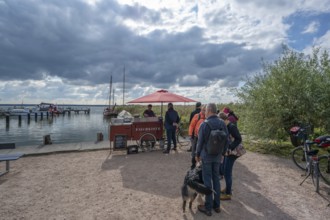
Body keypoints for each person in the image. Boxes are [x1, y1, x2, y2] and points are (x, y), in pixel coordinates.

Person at [195, 103, 229, 216]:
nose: (204, 112)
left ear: (209, 111)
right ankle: (217, 205)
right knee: (216, 180)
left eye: (205, 110)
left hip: (206, 156)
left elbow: (199, 142)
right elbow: (226, 140)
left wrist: (197, 154)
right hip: (218, 157)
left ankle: (208, 207)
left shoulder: (204, 124)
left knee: (207, 181)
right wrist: (223, 153)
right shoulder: (222, 123)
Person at [218, 112, 242, 201]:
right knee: (224, 169)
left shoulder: (232, 127)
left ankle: (228, 194)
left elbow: (239, 138)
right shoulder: (226, 126)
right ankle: (227, 188)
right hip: (229, 151)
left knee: (227, 172)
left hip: (234, 152)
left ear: (224, 120)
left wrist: (230, 147)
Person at [188, 105, 206, 169]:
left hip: (204, 138)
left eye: (205, 110)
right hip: (196, 137)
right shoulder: (197, 116)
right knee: (194, 152)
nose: (204, 111)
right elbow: (192, 125)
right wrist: (190, 134)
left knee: (202, 152)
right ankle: (193, 165)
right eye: (203, 110)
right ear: (201, 110)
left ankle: (200, 166)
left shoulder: (208, 117)